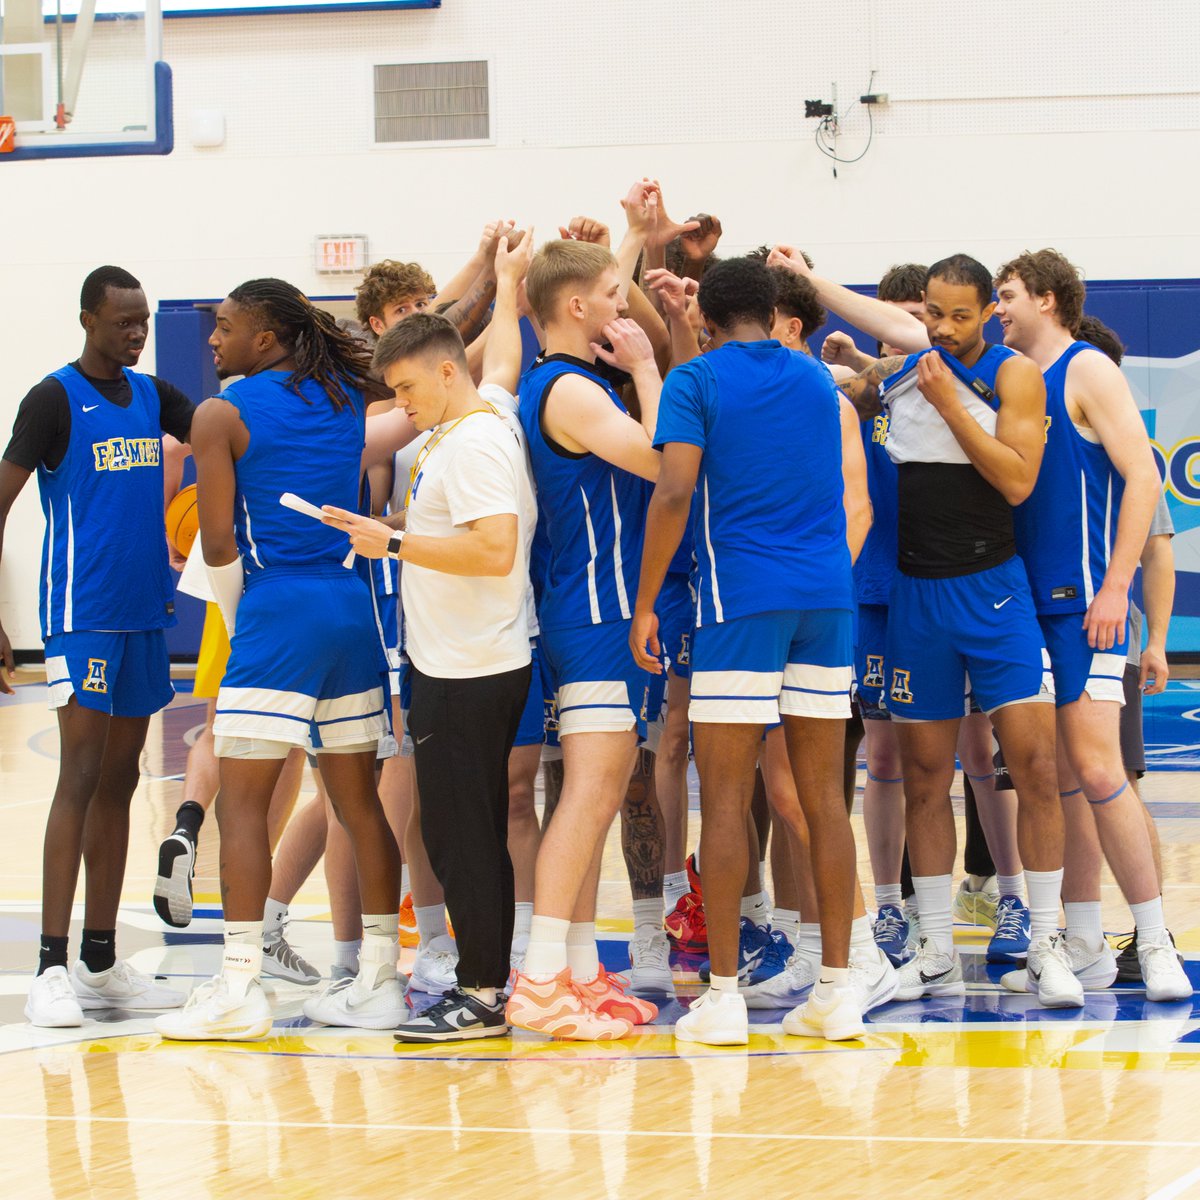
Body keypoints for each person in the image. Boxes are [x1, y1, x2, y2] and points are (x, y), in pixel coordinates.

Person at [821, 252, 1080, 1009]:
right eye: (933, 313)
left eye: (960, 314)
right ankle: (933, 946)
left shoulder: (1014, 376)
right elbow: (833, 398)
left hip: (996, 594)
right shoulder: (902, 373)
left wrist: (951, 401)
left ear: (987, 314)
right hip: (916, 597)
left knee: (1031, 769)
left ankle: (1044, 943)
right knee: (924, 775)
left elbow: (1017, 478)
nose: (944, 327)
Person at [632, 255, 873, 1044]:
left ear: (706, 320)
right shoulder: (814, 381)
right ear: (774, 316)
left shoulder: (694, 383)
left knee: (728, 799)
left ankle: (727, 997)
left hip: (742, 601)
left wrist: (644, 602)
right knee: (824, 800)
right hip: (827, 600)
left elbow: (672, 493)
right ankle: (839, 988)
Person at [156, 278, 399, 1041]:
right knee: (361, 806)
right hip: (351, 609)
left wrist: (240, 617)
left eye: (225, 327)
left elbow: (219, 542)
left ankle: (238, 987)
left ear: (265, 337)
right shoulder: (340, 398)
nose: (212, 340)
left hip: (277, 616)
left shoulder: (219, 413)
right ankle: (381, 979)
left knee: (245, 807)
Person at [326, 301, 538, 1041]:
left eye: (409, 388)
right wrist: (390, 534)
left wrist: (394, 544)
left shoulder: (474, 444)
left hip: (473, 666)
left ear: (449, 371)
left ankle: (482, 992)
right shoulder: (457, 433)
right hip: (456, 661)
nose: (402, 404)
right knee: (457, 829)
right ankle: (484, 982)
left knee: (463, 833)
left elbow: (494, 551)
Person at [994, 260, 1191, 1001]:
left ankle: (1156, 938)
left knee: (1101, 769)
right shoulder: (1010, 374)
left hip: (1085, 605)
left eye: (1007, 296)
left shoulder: (1086, 370)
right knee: (1055, 779)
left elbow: (1144, 478)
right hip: (1017, 607)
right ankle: (1083, 940)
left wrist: (1116, 588)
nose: (997, 309)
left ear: (1047, 299)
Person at [1, 266, 189, 1027]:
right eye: (123, 321)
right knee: (76, 778)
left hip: (146, 615)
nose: (137, 332)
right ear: (88, 320)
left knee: (120, 785)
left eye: (143, 320)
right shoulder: (52, 399)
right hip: (81, 617)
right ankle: (50, 965)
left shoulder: (152, 398)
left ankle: (102, 961)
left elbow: (217, 425)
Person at [505, 183, 665, 1041]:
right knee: (588, 794)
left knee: (593, 796)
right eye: (612, 299)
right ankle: (537, 983)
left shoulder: (564, 375)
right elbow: (657, 460)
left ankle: (574, 969)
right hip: (595, 613)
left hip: (593, 610)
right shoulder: (570, 391)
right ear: (575, 309)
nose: (625, 309)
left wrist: (634, 238)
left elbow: (598, 281)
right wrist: (644, 367)